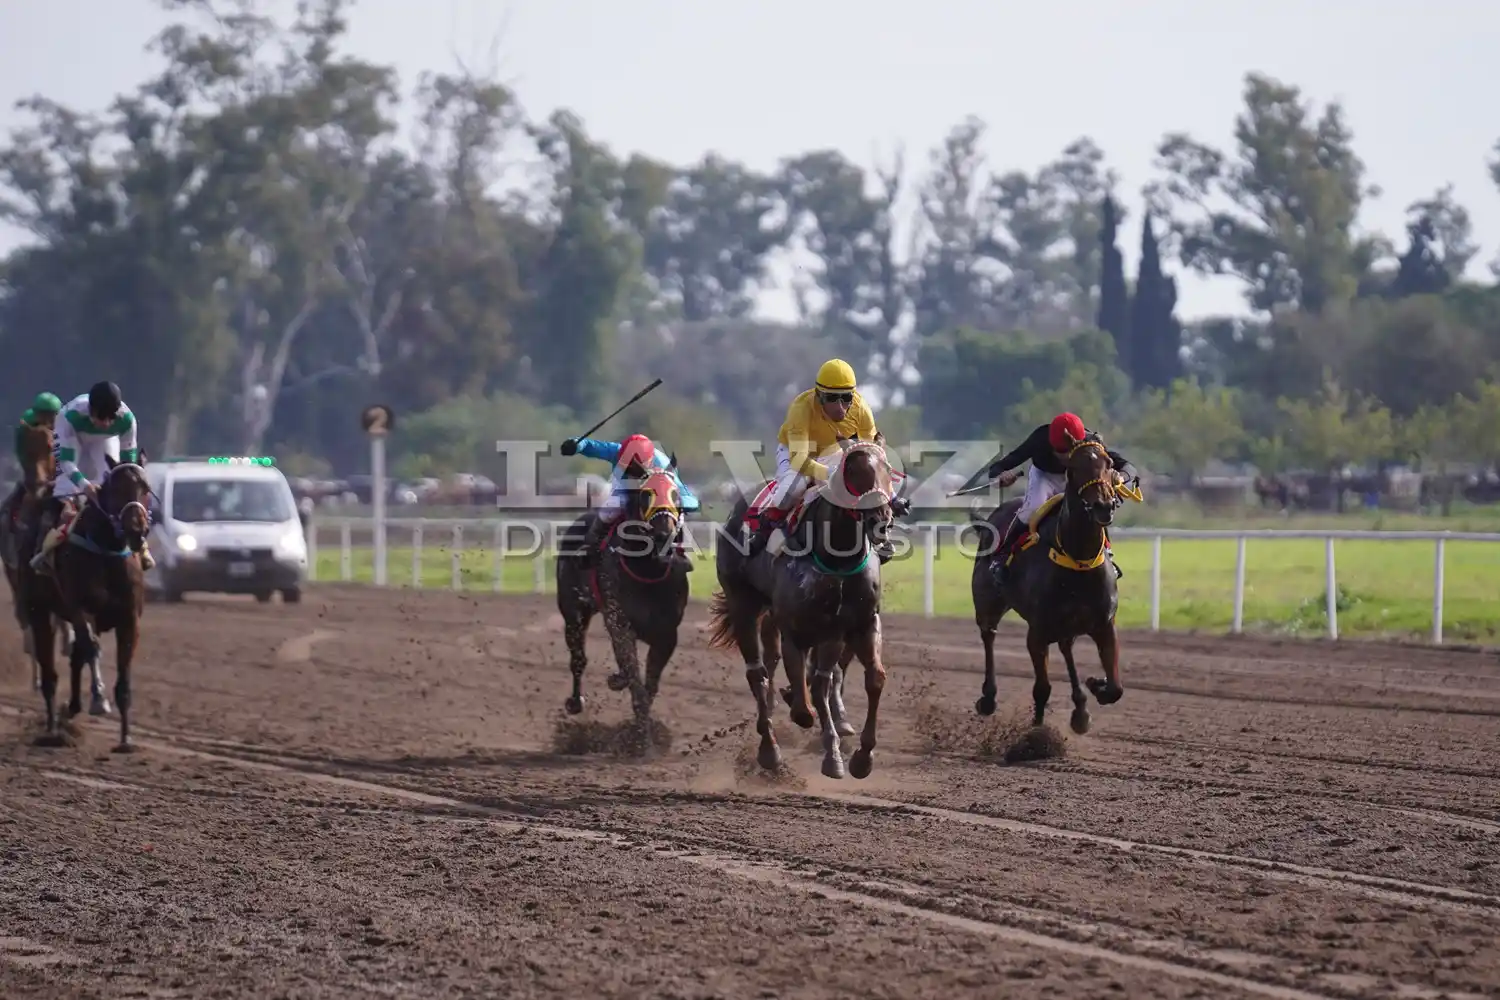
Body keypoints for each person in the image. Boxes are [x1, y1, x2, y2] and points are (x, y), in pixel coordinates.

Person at [746, 358, 901, 562]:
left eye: (846, 398)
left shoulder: (861, 409)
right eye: (832, 398)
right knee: (792, 490)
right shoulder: (801, 408)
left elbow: (871, 458)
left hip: (834, 452)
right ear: (819, 396)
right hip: (798, 452)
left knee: (860, 482)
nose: (840, 407)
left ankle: (879, 536)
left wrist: (892, 496)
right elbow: (800, 461)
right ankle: (766, 529)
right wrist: (830, 474)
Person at [29, 381, 155, 574]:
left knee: (117, 489)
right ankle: (45, 551)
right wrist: (85, 486)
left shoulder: (127, 419)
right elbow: (67, 463)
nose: (105, 422)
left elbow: (126, 468)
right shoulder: (70, 416)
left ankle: (139, 544)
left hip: (104, 442)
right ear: (90, 409)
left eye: (110, 417)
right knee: (67, 495)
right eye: (100, 416)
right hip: (74, 439)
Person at [987, 412, 1131, 580]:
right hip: (1044, 476)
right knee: (1032, 508)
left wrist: (1121, 477)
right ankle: (1002, 556)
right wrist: (1000, 477)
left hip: (1076, 477)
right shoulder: (1040, 438)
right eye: (1059, 451)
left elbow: (1126, 466)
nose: (1064, 457)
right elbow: (1003, 464)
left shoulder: (1092, 442)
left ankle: (1108, 555)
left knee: (1094, 503)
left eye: (1068, 451)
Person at [560, 433, 699, 570]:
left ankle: (683, 553)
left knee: (673, 510)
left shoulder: (663, 464)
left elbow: (686, 495)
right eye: (626, 466)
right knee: (612, 509)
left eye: (634, 469)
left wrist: (683, 504)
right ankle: (591, 546)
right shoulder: (615, 450)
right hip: (624, 486)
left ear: (650, 461)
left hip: (654, 488)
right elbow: (591, 446)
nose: (632, 472)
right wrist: (576, 445)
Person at [4, 392, 62, 527]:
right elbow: (20, 449)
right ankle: (10, 514)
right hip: (31, 457)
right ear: (36, 413)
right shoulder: (26, 423)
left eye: (51, 417)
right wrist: (29, 468)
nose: (47, 421)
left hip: (56, 457)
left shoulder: (65, 423)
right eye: (43, 416)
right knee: (30, 482)